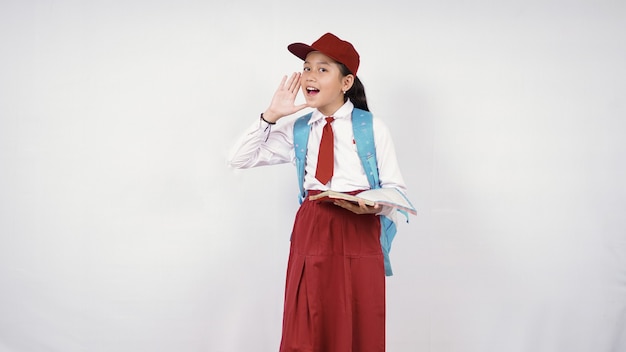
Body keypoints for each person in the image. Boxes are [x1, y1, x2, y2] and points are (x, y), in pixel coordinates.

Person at [228, 32, 408, 352]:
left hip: (359, 227)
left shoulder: (370, 127)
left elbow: (395, 189)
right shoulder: (299, 128)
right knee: (307, 319)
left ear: (346, 82)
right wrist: (271, 115)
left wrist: (372, 206)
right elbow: (239, 158)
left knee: (359, 317)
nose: (310, 75)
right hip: (312, 225)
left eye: (322, 69)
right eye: (307, 67)